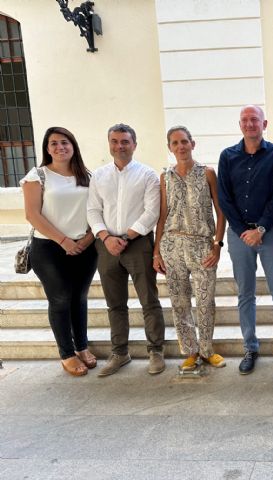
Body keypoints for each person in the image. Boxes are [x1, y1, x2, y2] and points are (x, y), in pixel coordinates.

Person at [217, 105, 273, 375]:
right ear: (240, 125)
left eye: (255, 120)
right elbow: (224, 198)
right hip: (239, 235)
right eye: (245, 120)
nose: (250, 124)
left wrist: (260, 228)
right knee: (245, 294)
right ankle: (250, 347)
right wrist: (242, 231)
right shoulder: (227, 156)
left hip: (271, 232)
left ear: (265, 123)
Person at [87, 123, 165, 377]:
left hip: (138, 243)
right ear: (109, 144)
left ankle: (155, 350)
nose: (119, 146)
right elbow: (93, 210)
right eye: (115, 141)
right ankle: (120, 352)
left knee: (148, 300)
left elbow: (152, 211)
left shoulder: (148, 175)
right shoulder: (98, 176)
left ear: (134, 144)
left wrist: (126, 236)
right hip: (106, 245)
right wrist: (106, 236)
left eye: (125, 142)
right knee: (115, 303)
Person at [21, 127, 97, 377]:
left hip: (85, 246)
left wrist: (86, 240)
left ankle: (82, 346)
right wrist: (63, 241)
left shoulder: (86, 175)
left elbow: (97, 211)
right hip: (50, 247)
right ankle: (67, 353)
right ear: (47, 148)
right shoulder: (38, 175)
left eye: (64, 142)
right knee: (61, 298)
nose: (59, 147)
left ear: (73, 146)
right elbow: (32, 214)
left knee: (80, 298)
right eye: (53, 143)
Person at [153, 126, 227, 371]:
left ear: (192, 144)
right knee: (179, 301)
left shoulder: (207, 173)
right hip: (172, 245)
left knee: (205, 301)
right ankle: (191, 351)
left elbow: (220, 210)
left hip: (202, 244)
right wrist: (157, 251)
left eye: (184, 141)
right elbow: (162, 215)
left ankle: (207, 349)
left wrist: (217, 244)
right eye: (175, 143)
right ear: (170, 148)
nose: (180, 146)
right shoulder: (165, 177)